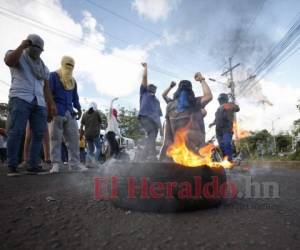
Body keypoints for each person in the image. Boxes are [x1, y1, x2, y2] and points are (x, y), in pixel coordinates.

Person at [4, 34, 56, 176]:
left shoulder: (43, 67)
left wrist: (51, 105)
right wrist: (21, 46)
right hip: (20, 98)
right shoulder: (17, 54)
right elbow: (9, 61)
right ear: (28, 44)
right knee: (16, 131)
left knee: (39, 133)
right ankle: (12, 165)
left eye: (40, 49)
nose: (37, 51)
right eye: (35, 47)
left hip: (39, 102)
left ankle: (33, 165)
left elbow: (46, 88)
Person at [160, 72, 212, 160]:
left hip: (176, 146)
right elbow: (208, 96)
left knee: (167, 122)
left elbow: (167, 138)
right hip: (194, 145)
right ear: (190, 91)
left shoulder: (170, 105)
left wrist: (161, 159)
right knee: (201, 113)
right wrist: (201, 80)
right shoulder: (195, 103)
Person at [48, 56, 87, 173]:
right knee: (55, 138)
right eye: (67, 64)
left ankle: (74, 164)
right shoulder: (53, 75)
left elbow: (75, 97)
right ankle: (55, 164)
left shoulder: (73, 81)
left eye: (71, 65)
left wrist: (79, 109)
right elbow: (48, 92)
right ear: (62, 63)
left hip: (70, 112)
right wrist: (49, 109)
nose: (69, 67)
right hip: (56, 111)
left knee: (74, 139)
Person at [138, 63, 162, 160]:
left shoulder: (156, 100)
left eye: (154, 89)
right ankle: (147, 156)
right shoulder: (144, 93)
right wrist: (146, 68)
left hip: (154, 122)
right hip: (145, 117)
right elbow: (144, 78)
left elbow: (159, 116)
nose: (152, 89)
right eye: (151, 87)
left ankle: (147, 156)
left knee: (152, 137)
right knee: (151, 133)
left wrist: (161, 129)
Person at [209, 93, 240, 161]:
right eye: (220, 100)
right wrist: (212, 123)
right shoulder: (218, 109)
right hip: (218, 130)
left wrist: (232, 104)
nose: (220, 101)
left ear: (225, 99)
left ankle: (230, 160)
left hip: (227, 129)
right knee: (222, 145)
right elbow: (216, 119)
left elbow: (237, 108)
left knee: (226, 144)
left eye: (222, 99)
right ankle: (226, 159)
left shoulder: (229, 105)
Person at [80, 102, 102, 166]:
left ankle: (88, 163)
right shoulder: (96, 113)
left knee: (90, 150)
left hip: (87, 135)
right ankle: (95, 161)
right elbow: (100, 122)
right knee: (98, 147)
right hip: (95, 134)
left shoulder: (84, 114)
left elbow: (81, 125)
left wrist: (81, 134)